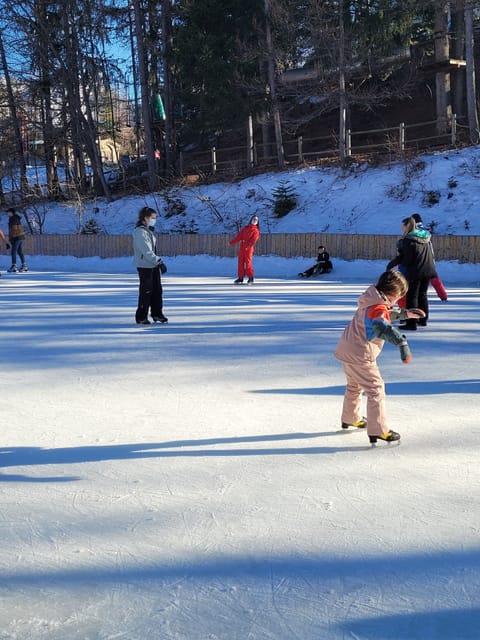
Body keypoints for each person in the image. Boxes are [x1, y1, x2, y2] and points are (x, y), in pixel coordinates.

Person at [335, 270, 424, 445]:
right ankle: (379, 430)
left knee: (354, 385)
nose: (398, 300)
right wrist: (402, 343)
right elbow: (382, 326)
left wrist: (406, 314)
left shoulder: (370, 299)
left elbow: (384, 315)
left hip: (347, 349)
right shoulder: (377, 307)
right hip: (360, 354)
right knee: (376, 389)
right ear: (393, 293)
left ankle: (350, 417)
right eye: (399, 296)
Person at [386, 216, 437, 330]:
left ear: (407, 226)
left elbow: (407, 259)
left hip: (416, 271)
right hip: (428, 269)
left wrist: (393, 264)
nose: (401, 228)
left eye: (402, 226)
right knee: (422, 295)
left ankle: (412, 322)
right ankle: (423, 320)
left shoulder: (408, 240)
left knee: (412, 296)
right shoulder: (425, 237)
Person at [132, 206, 168, 325]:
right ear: (145, 217)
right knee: (146, 291)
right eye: (153, 217)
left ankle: (157, 313)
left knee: (157, 291)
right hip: (145, 266)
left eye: (155, 218)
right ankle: (141, 316)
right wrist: (159, 261)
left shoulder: (148, 231)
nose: (154, 220)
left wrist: (157, 263)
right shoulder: (140, 232)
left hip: (153, 265)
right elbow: (146, 251)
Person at [229, 215, 260, 284]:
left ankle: (251, 278)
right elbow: (239, 237)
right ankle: (240, 278)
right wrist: (232, 243)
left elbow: (253, 241)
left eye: (256, 220)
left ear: (257, 222)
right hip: (242, 247)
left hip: (249, 249)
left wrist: (247, 246)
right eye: (254, 219)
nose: (255, 220)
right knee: (240, 262)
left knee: (248, 263)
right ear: (251, 220)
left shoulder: (256, 231)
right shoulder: (245, 228)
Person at [6, 208, 27, 272]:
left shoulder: (13, 218)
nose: (7, 213)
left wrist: (11, 238)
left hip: (16, 237)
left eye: (8, 212)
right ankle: (24, 266)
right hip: (20, 237)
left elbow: (14, 229)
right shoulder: (16, 217)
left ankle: (14, 266)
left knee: (13, 251)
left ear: (11, 212)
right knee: (20, 251)